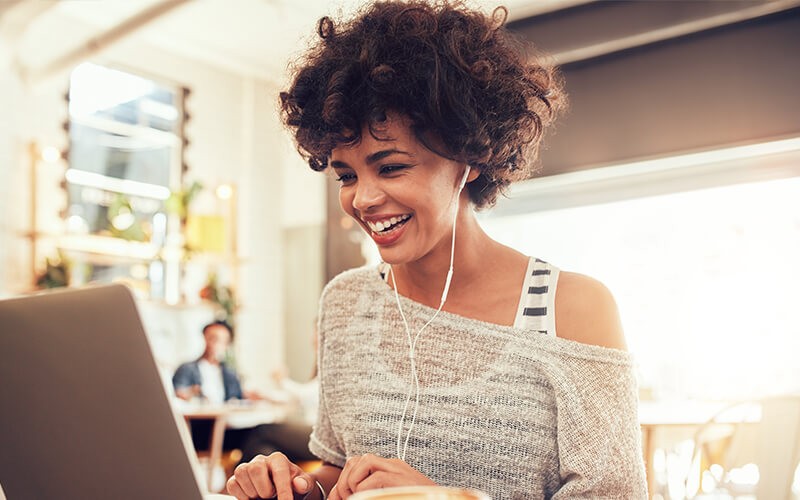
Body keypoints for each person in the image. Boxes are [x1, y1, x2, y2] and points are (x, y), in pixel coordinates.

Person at [227, 1, 647, 499]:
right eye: (346, 175)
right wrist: (294, 488)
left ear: (469, 156)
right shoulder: (347, 304)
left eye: (391, 167)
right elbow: (344, 478)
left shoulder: (571, 309)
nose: (362, 199)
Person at [172, 320, 250, 452]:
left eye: (220, 340)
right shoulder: (187, 369)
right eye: (211, 338)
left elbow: (239, 397)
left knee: (259, 436)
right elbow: (177, 394)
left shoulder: (229, 373)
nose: (214, 344)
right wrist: (191, 392)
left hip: (226, 428)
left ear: (226, 345)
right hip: (199, 430)